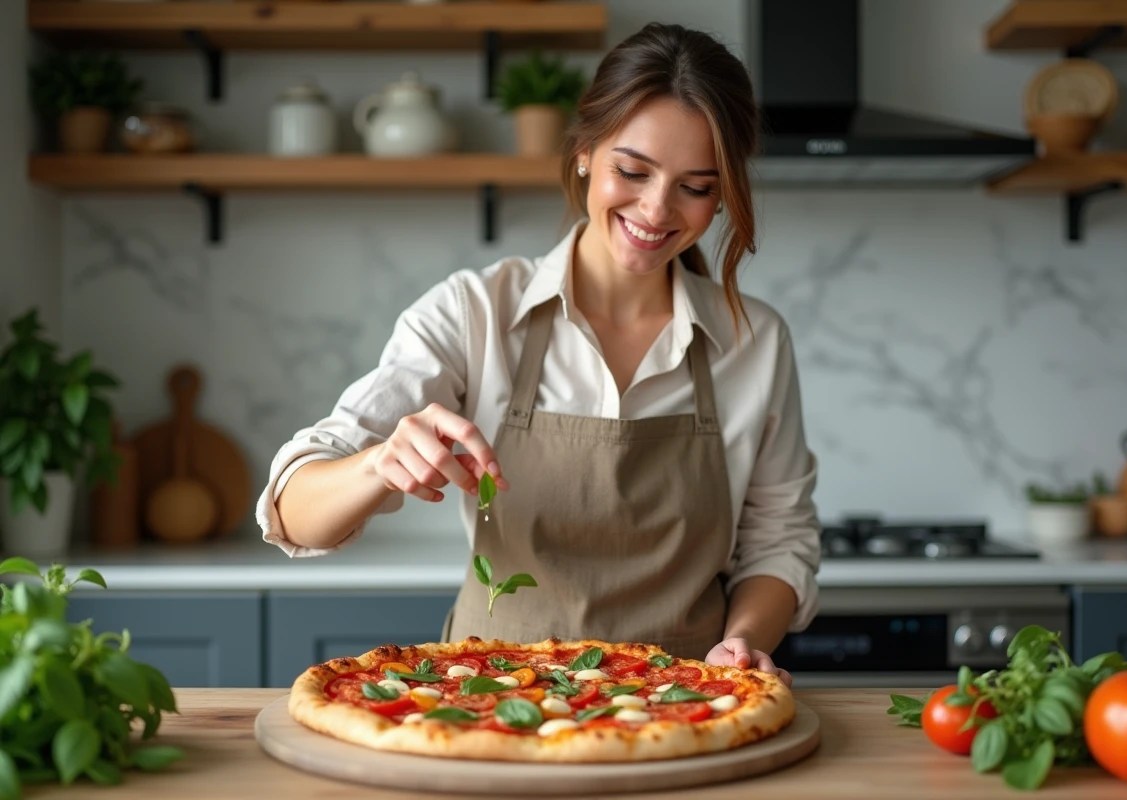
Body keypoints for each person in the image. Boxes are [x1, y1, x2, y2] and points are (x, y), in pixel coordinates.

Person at [256, 22, 820, 685]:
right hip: (493, 703)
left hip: (684, 701)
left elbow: (778, 544)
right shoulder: (475, 313)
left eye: (694, 187)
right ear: (584, 152)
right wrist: (379, 463)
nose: (656, 209)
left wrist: (742, 643)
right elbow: (295, 511)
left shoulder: (755, 340)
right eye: (632, 171)